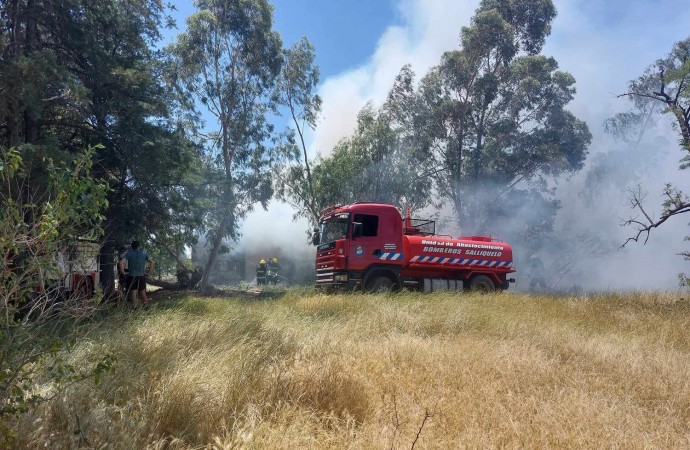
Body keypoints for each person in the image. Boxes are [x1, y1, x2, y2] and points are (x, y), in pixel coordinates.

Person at [118, 240, 154, 308]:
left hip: (132, 276)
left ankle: (134, 308)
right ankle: (146, 306)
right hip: (141, 275)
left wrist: (123, 272)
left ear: (132, 247)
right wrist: (149, 272)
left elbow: (121, 262)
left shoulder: (129, 253)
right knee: (142, 292)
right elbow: (152, 262)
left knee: (133, 292)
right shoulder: (144, 253)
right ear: (139, 246)